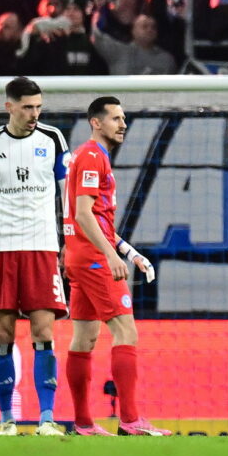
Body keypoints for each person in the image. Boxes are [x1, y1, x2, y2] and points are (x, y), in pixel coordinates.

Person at [0, 76, 70, 436]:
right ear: (9, 106)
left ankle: (46, 419)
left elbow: (66, 192)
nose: (34, 114)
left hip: (41, 245)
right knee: (3, 332)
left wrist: (69, 237)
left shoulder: (53, 138)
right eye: (27, 107)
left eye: (39, 107)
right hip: (0, 245)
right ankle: (8, 418)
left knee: (43, 329)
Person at [64, 96, 170, 435]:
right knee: (126, 331)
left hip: (79, 255)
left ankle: (83, 423)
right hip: (94, 259)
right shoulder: (94, 157)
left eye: (123, 118)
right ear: (96, 122)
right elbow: (83, 214)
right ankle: (130, 420)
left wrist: (128, 252)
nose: (122, 124)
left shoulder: (86, 155)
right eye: (115, 118)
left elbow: (99, 220)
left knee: (84, 337)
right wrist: (110, 256)